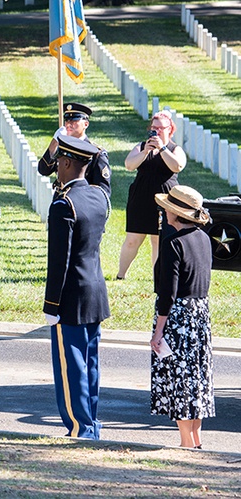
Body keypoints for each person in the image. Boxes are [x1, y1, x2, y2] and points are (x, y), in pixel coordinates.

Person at [43, 135, 111, 440]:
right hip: (95, 291)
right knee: (90, 364)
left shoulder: (63, 204)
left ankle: (79, 428)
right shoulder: (98, 197)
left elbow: (59, 262)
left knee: (72, 367)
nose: (57, 168)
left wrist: (51, 306)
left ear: (67, 163)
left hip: (70, 296)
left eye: (59, 163)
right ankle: (92, 423)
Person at [150, 185, 214, 449]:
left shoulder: (173, 244)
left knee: (179, 381)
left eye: (167, 208)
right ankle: (196, 439)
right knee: (197, 378)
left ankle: (186, 442)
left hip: (178, 319)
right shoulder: (204, 238)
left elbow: (168, 293)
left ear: (176, 213)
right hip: (200, 315)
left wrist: (158, 331)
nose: (164, 211)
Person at [117, 110, 186, 280]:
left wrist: (162, 148)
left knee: (158, 240)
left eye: (161, 128)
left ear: (170, 129)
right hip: (140, 197)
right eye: (154, 127)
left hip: (164, 199)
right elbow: (129, 165)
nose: (157, 131)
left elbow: (176, 166)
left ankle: (157, 277)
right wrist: (145, 152)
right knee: (133, 239)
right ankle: (121, 275)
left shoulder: (174, 149)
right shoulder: (141, 146)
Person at [37, 103, 111, 197]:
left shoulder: (97, 154)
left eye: (74, 121)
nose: (69, 124)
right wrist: (55, 141)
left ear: (86, 124)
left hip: (82, 204)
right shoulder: (61, 148)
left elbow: (103, 191)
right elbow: (43, 170)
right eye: (67, 120)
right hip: (60, 201)